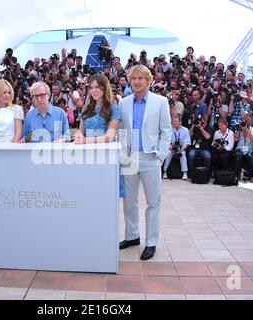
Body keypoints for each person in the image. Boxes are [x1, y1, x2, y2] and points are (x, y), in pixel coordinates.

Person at [118, 65, 172, 261]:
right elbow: (121, 130)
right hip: (130, 158)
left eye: (141, 78)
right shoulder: (123, 103)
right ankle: (132, 236)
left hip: (150, 158)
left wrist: (160, 155)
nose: (137, 82)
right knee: (129, 201)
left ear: (149, 81)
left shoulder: (160, 102)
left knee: (153, 202)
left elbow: (166, 131)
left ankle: (151, 242)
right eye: (134, 79)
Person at [73, 74, 125, 197]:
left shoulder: (113, 108)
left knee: (106, 199)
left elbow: (109, 137)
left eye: (97, 87)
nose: (94, 90)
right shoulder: (87, 109)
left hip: (106, 158)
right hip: (86, 158)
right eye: (91, 87)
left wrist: (85, 140)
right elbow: (80, 133)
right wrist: (77, 137)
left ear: (105, 87)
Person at [162, 116, 191, 180]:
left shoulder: (185, 130)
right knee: (169, 153)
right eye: (173, 121)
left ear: (180, 122)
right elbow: (167, 142)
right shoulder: (169, 130)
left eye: (176, 121)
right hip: (172, 148)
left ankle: (185, 173)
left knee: (182, 154)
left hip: (181, 148)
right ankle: (165, 171)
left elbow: (186, 143)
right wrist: (171, 147)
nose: (174, 123)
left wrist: (180, 150)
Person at [233, 114, 253, 181]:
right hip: (240, 149)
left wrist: (246, 129)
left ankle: (252, 176)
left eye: (248, 120)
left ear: (250, 121)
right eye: (245, 120)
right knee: (238, 155)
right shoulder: (239, 128)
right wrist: (239, 130)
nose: (246, 122)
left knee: (250, 156)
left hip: (250, 149)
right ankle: (236, 175)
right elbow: (235, 138)